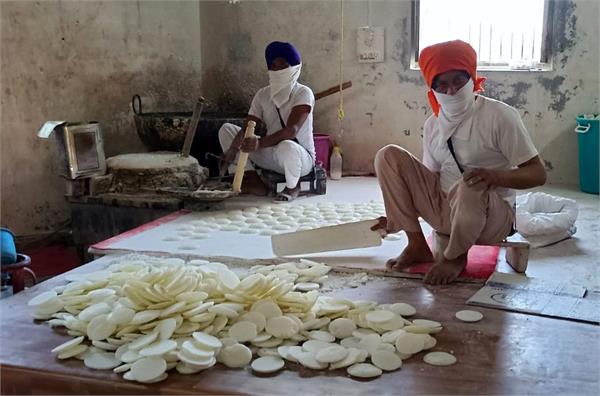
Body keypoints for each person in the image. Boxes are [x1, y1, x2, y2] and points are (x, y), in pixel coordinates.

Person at [372, 40, 546, 285]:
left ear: (472, 78)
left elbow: (538, 174)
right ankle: (417, 245)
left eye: (458, 80)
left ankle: (455, 257)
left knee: (470, 182)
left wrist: (496, 177)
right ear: (432, 88)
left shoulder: (499, 116)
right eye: (441, 84)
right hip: (446, 214)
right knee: (388, 155)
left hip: (491, 219)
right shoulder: (433, 125)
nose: (451, 90)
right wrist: (398, 213)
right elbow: (428, 182)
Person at [218, 41, 315, 202]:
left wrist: (259, 143)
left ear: (294, 67)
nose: (277, 70)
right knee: (227, 129)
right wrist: (233, 150)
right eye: (273, 65)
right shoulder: (262, 95)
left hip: (298, 158)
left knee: (287, 146)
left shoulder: (303, 93)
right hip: (271, 154)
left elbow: (291, 131)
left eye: (283, 65)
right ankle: (253, 181)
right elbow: (247, 127)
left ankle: (292, 186)